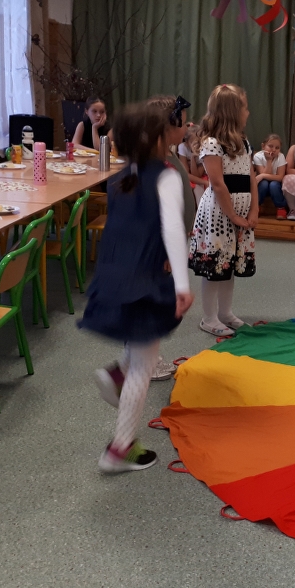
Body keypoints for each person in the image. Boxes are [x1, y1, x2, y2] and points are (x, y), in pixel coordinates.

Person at [81, 103, 194, 473]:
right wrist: (182, 284)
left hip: (116, 277)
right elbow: (172, 229)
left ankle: (116, 374)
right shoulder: (165, 176)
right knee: (144, 365)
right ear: (159, 140)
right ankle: (120, 448)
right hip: (145, 282)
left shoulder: (121, 177)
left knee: (140, 342)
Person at [188, 84, 257, 338]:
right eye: (245, 107)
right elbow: (217, 184)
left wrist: (254, 209)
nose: (248, 112)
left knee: (229, 264)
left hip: (240, 213)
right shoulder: (211, 144)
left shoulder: (244, 142)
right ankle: (209, 318)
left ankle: (226, 313)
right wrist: (233, 215)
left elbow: (251, 177)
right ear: (232, 112)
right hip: (219, 214)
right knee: (216, 266)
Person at [147, 93, 195, 382]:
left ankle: (141, 359)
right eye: (184, 123)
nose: (187, 127)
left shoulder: (168, 155)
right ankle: (142, 363)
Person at [253, 133, 288, 220]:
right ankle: (256, 207)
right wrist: (269, 160)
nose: (274, 150)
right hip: (262, 185)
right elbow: (263, 174)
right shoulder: (258, 156)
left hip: (276, 186)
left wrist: (262, 175)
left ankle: (281, 208)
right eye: (270, 146)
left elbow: (280, 177)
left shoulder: (281, 156)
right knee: (264, 183)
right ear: (263, 146)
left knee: (274, 184)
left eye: (277, 148)